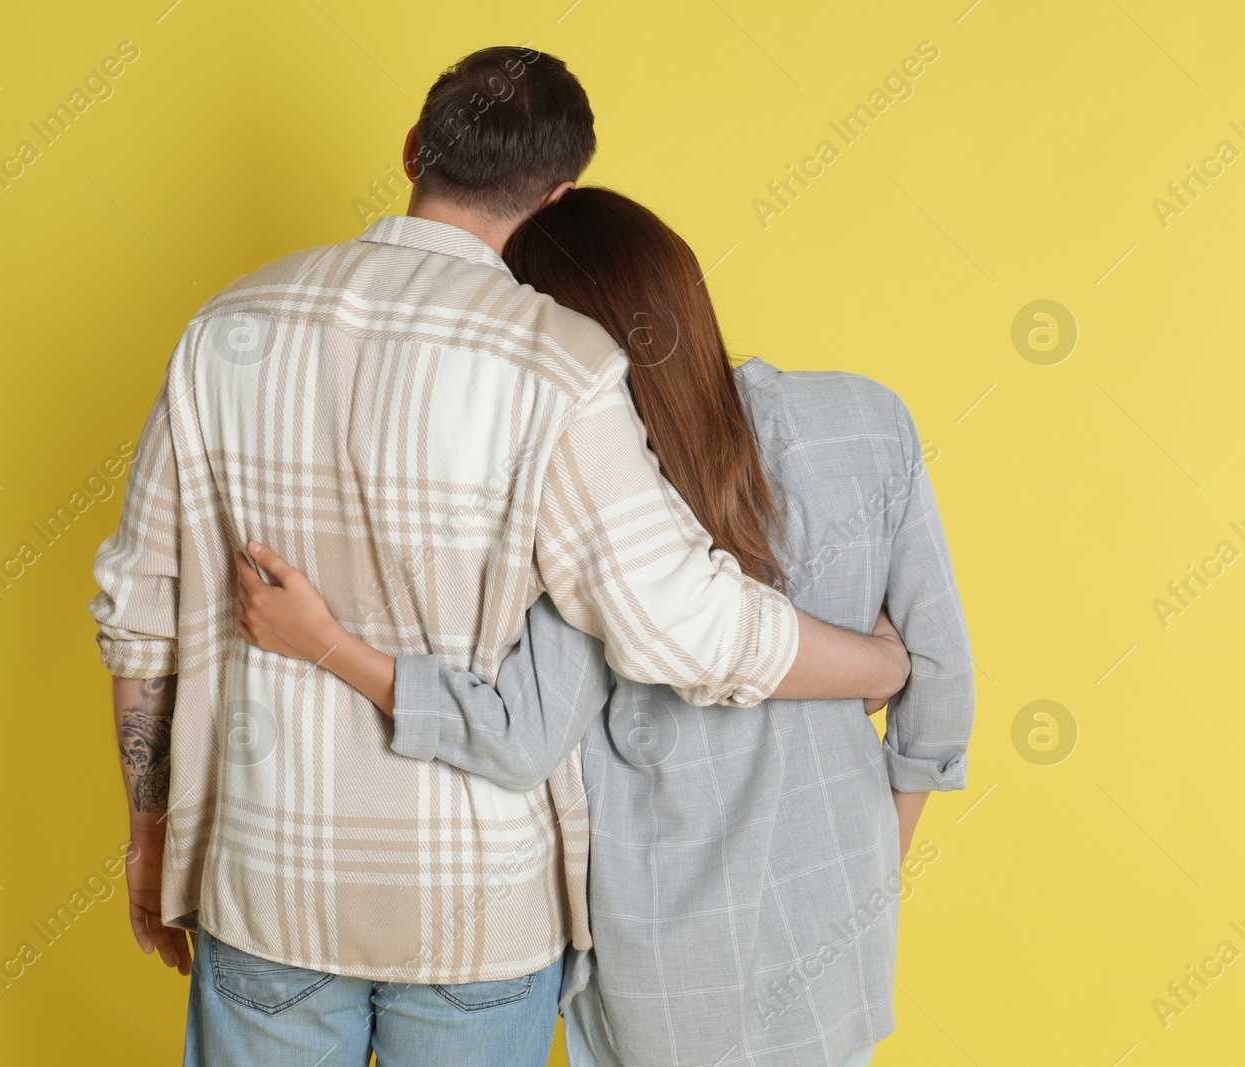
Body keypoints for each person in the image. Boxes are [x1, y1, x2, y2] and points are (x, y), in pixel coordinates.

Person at [90, 47, 910, 1066]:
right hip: (475, 912)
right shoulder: (559, 364)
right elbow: (682, 623)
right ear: (555, 196)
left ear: (411, 151)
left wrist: (151, 831)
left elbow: (139, 612)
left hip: (267, 879)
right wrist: (877, 662)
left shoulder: (226, 329)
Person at [232, 188, 973, 1066]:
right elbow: (941, 683)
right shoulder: (865, 420)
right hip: (840, 941)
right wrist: (871, 867)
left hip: (662, 973)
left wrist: (328, 642)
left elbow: (517, 734)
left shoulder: (588, 487)